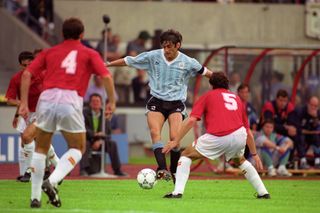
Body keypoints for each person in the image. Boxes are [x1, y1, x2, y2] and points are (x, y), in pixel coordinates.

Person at [19, 17, 116, 208]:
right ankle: (53, 181)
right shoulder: (89, 53)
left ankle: (35, 198)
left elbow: (26, 74)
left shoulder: (49, 51)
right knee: (78, 147)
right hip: (70, 99)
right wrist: (112, 101)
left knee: (41, 148)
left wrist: (23, 103)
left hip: (46, 99)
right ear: (82, 34)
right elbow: (106, 76)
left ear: (62, 34)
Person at [107, 29, 213, 181]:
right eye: (164, 46)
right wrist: (108, 65)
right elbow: (129, 60)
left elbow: (207, 73)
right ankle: (162, 169)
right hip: (156, 101)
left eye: (169, 46)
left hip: (176, 103)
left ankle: (175, 171)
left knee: (174, 138)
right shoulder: (153, 56)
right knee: (155, 133)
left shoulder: (188, 62)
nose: (166, 50)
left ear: (178, 45)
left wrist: (220, 84)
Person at [162, 72, 269, 199]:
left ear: (211, 84)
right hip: (239, 135)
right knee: (240, 160)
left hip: (219, 136)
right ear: (227, 84)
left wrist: (175, 140)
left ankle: (177, 192)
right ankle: (263, 192)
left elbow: (191, 120)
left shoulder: (207, 96)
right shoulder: (236, 98)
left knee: (186, 155)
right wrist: (255, 154)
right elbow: (248, 130)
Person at [5, 51, 59, 182]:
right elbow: (9, 99)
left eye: (30, 64)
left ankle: (32, 172)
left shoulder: (44, 75)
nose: (28, 67)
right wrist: (18, 111)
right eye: (24, 65)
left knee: (31, 139)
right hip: (26, 113)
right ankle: (34, 171)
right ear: (20, 65)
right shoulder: (16, 79)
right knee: (25, 142)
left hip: (42, 112)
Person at [80, 93, 126, 176]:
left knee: (113, 144)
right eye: (93, 101)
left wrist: (100, 141)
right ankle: (84, 170)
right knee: (84, 144)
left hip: (101, 141)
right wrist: (94, 134)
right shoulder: (84, 113)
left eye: (97, 101)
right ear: (90, 103)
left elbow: (108, 133)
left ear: (101, 103)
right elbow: (83, 128)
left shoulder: (104, 114)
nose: (95, 103)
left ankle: (117, 170)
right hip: (88, 139)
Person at [260, 89, 298, 168]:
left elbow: (290, 141)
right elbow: (268, 123)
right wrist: (278, 148)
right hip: (258, 160)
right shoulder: (269, 106)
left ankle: (283, 165)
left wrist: (284, 147)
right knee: (265, 145)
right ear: (276, 99)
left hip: (276, 134)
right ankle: (271, 167)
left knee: (290, 140)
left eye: (285, 101)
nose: (283, 103)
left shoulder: (289, 106)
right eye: (281, 100)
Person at [295, 96, 320, 169]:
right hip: (301, 136)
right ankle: (303, 161)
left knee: (317, 137)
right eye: (311, 105)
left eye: (315, 106)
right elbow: (298, 129)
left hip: (313, 137)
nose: (313, 107)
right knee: (300, 137)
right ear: (308, 104)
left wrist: (315, 118)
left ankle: (317, 161)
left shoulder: (318, 114)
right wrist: (311, 132)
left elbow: (317, 129)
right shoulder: (300, 111)